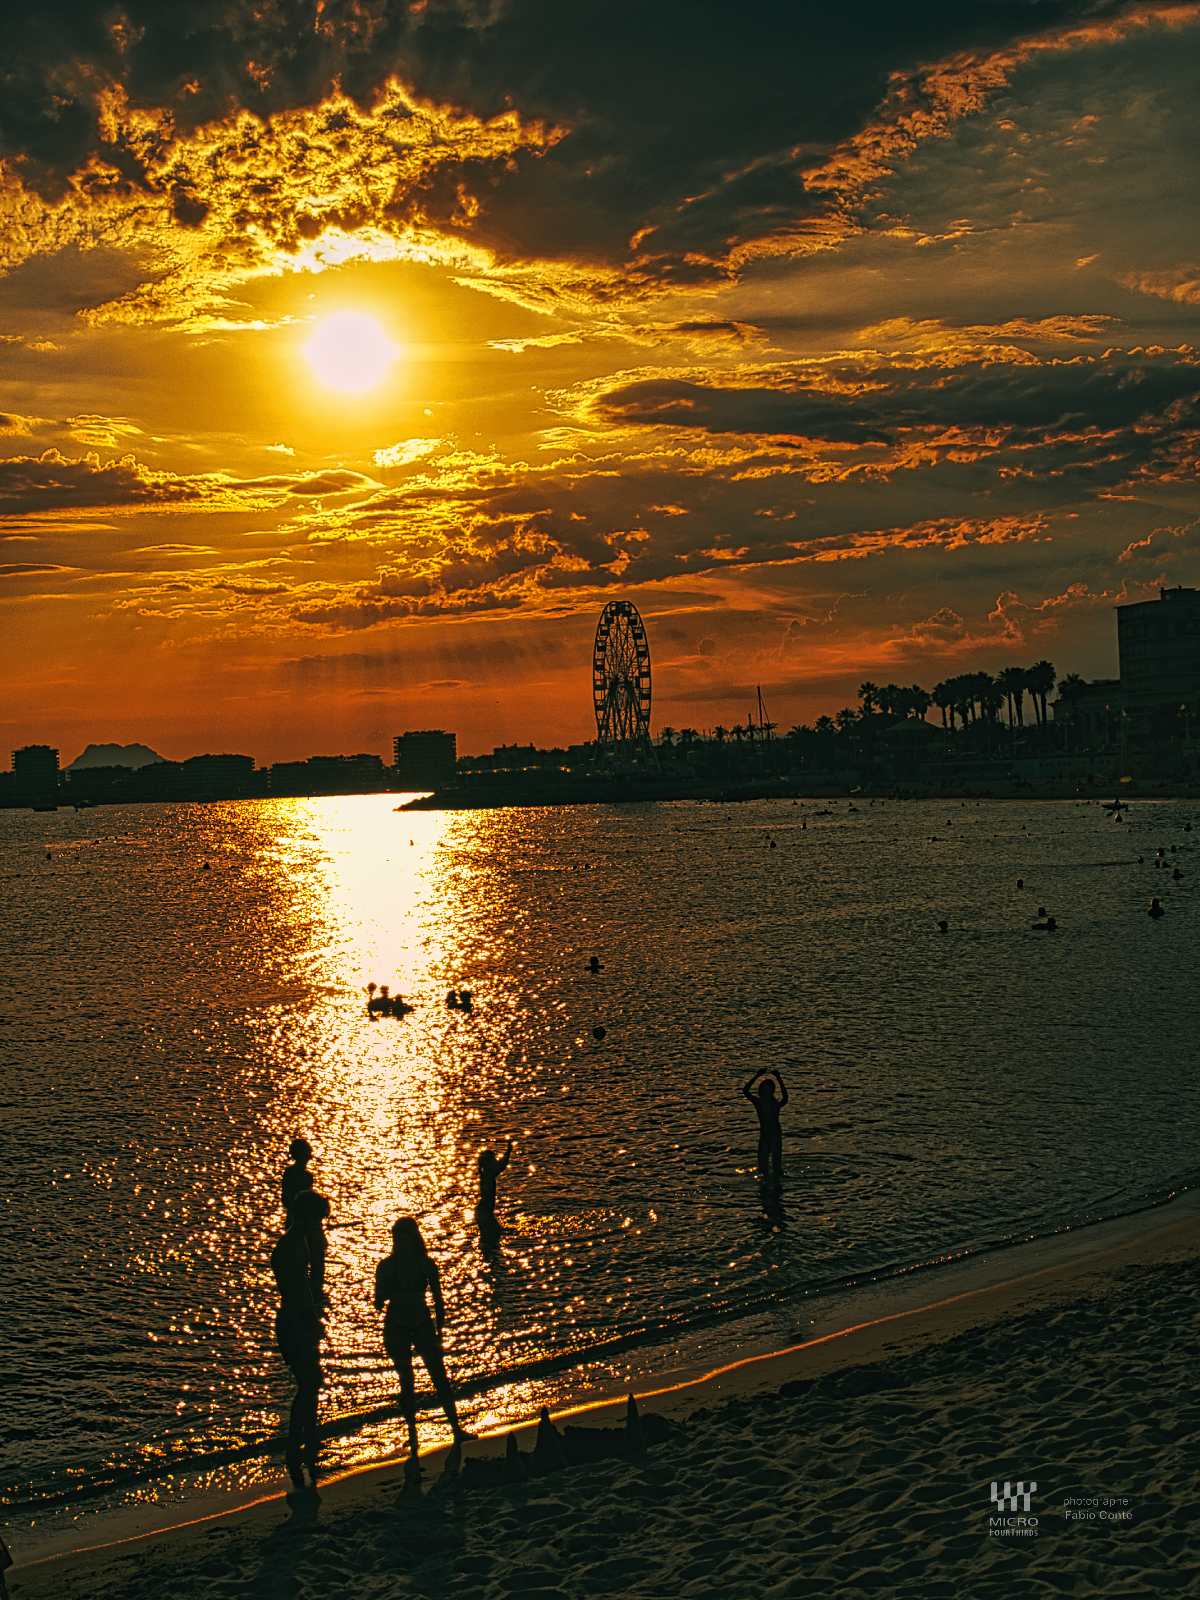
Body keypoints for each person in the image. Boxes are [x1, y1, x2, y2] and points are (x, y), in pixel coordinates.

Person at [374, 1218, 473, 1458]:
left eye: (403, 1239)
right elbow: (377, 1303)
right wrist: (386, 1294)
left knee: (439, 1377)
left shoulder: (427, 1264)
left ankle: (456, 1429)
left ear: (413, 1240)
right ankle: (412, 1435)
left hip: (422, 1324)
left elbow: (439, 1301)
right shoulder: (386, 1266)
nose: (398, 1244)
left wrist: (440, 1332)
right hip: (396, 1327)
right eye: (395, 1239)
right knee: (406, 1383)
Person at [270, 1189, 326, 1489]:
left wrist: (314, 1318)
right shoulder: (286, 1249)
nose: (319, 1226)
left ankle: (308, 1442)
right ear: (302, 1217)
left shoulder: (301, 1241)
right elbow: (291, 1298)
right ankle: (295, 1449)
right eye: (315, 1220)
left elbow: (304, 1287)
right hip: (292, 1323)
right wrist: (304, 1333)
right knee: (307, 1385)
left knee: (313, 1384)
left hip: (304, 1318)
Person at [741, 1068, 789, 1178]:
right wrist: (757, 1075)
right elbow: (745, 1090)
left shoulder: (775, 1104)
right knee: (762, 1169)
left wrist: (779, 1078)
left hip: (775, 1135)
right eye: (763, 1090)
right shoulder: (758, 1102)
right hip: (764, 1136)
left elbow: (785, 1099)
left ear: (771, 1092)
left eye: (767, 1090)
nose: (764, 1092)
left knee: (776, 1169)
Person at [477, 1140, 513, 1226]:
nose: (496, 1161)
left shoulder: (485, 1175)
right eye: (494, 1160)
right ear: (489, 1164)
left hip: (484, 1212)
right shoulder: (488, 1177)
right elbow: (501, 1166)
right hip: (485, 1213)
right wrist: (508, 1152)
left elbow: (500, 1165)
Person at [281, 1138, 313, 1214]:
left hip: (291, 1210)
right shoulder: (306, 1175)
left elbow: (285, 1195)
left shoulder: (288, 1171)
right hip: (301, 1214)